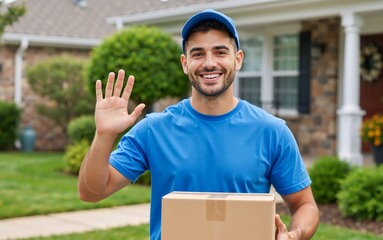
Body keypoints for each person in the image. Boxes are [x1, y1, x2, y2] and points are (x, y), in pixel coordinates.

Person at [78, 8, 319, 240]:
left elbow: (304, 205)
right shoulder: (153, 130)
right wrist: (104, 134)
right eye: (198, 54)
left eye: (220, 52)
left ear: (238, 59)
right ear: (185, 63)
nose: (209, 63)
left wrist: (295, 235)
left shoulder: (272, 132)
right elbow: (91, 192)